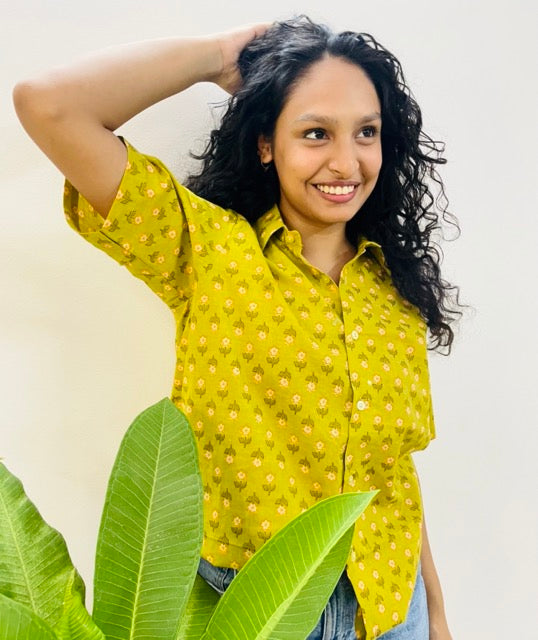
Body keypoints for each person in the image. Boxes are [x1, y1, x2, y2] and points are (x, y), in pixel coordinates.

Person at [13, 15, 460, 640]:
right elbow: (50, 104)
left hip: (389, 609)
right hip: (247, 613)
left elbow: (390, 475)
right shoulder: (208, 252)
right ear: (265, 145)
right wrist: (216, 55)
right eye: (315, 133)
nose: (346, 161)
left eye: (366, 132)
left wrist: (435, 614)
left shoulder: (394, 296)